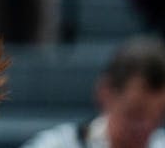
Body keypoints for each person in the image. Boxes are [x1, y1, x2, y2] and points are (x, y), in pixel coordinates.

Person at [21, 37, 165, 148]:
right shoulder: (56, 145)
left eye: (157, 117)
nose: (146, 127)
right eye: (135, 114)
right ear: (105, 93)